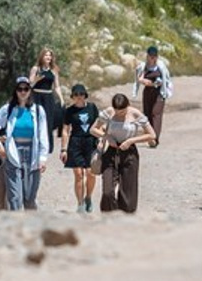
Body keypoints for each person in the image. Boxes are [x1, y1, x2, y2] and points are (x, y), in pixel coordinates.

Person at [0, 75, 49, 211]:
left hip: (33, 154)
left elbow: (43, 135)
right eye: (20, 89)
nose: (23, 92)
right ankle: (15, 228)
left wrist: (43, 158)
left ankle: (31, 228)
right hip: (12, 154)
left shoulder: (38, 111)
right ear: (15, 91)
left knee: (30, 200)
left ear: (30, 91)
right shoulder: (7, 110)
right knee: (15, 197)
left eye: (26, 89)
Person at [92, 92, 155, 213]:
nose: (120, 114)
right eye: (117, 111)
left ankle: (125, 219)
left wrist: (131, 140)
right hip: (111, 152)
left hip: (129, 152)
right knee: (107, 191)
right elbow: (93, 129)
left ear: (128, 106)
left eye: (123, 111)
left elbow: (152, 135)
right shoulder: (108, 113)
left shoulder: (136, 114)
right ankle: (109, 215)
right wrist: (107, 137)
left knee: (128, 192)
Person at [60, 83, 100, 213]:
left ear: (85, 95)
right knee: (78, 174)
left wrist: (101, 140)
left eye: (81, 94)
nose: (79, 97)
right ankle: (80, 203)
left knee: (91, 173)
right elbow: (65, 130)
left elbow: (99, 124)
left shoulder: (92, 108)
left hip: (90, 142)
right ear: (72, 96)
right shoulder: (69, 111)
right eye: (76, 95)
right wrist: (63, 149)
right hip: (75, 142)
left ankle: (88, 197)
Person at [29, 47, 64, 151]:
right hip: (36, 96)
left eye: (50, 55)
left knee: (48, 120)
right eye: (46, 55)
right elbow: (29, 84)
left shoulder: (54, 70)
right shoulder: (36, 69)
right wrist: (36, 79)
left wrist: (61, 99)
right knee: (35, 119)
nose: (48, 57)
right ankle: (34, 143)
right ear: (42, 56)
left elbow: (57, 86)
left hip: (48, 97)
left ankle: (47, 145)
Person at [135, 45, 173, 141]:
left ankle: (155, 138)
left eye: (154, 56)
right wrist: (143, 81)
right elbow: (139, 78)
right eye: (151, 56)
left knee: (155, 113)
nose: (152, 58)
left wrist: (155, 84)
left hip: (159, 92)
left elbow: (165, 80)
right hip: (148, 92)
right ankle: (149, 135)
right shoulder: (144, 66)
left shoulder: (160, 66)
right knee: (147, 113)